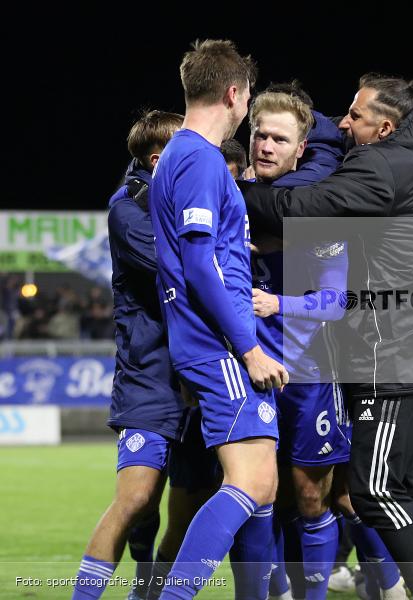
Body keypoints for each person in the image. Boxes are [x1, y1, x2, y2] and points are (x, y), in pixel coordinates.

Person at [239, 73, 413, 600]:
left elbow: (296, 210)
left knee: (375, 491)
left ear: (385, 128)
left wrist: (228, 189)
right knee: (404, 485)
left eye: (354, 117)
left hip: (395, 350)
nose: (343, 123)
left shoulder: (376, 168)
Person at [148, 39, 289, 600]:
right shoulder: (201, 158)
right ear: (233, 93)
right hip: (221, 344)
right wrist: (248, 347)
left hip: (207, 341)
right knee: (251, 481)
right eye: (248, 99)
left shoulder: (181, 157)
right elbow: (200, 264)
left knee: (265, 486)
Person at [71, 110, 186, 600]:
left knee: (185, 507)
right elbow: (181, 270)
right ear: (160, 159)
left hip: (200, 374)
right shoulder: (129, 209)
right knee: (138, 498)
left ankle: (148, 591)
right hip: (151, 377)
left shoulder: (177, 197)